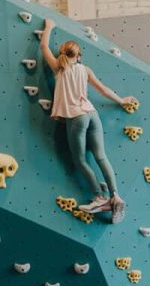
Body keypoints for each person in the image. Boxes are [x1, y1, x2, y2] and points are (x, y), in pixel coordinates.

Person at [40, 18, 137, 223]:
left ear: (62, 54)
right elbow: (102, 90)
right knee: (101, 156)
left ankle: (100, 198)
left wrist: (49, 27)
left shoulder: (59, 67)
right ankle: (116, 196)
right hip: (92, 114)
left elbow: (43, 46)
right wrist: (121, 100)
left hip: (76, 117)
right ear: (79, 56)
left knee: (80, 160)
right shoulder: (85, 70)